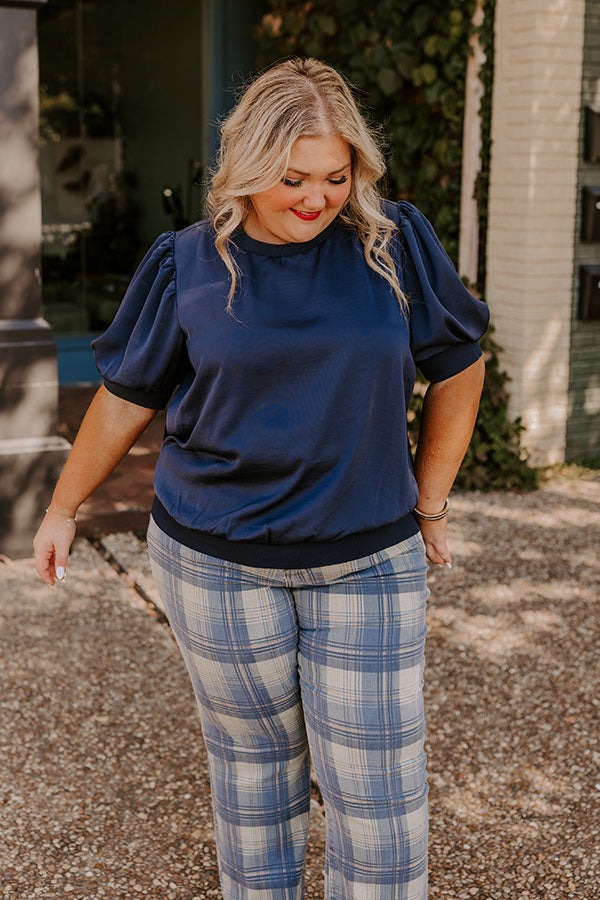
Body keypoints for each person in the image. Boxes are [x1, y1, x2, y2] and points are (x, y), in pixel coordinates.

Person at [34, 57, 490, 900]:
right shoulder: (187, 264)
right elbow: (126, 397)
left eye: (335, 176)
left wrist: (431, 502)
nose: (316, 198)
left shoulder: (394, 246)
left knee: (380, 801)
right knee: (256, 783)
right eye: (291, 179)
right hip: (216, 564)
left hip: (368, 563)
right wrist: (65, 505)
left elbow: (459, 370)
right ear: (247, 166)